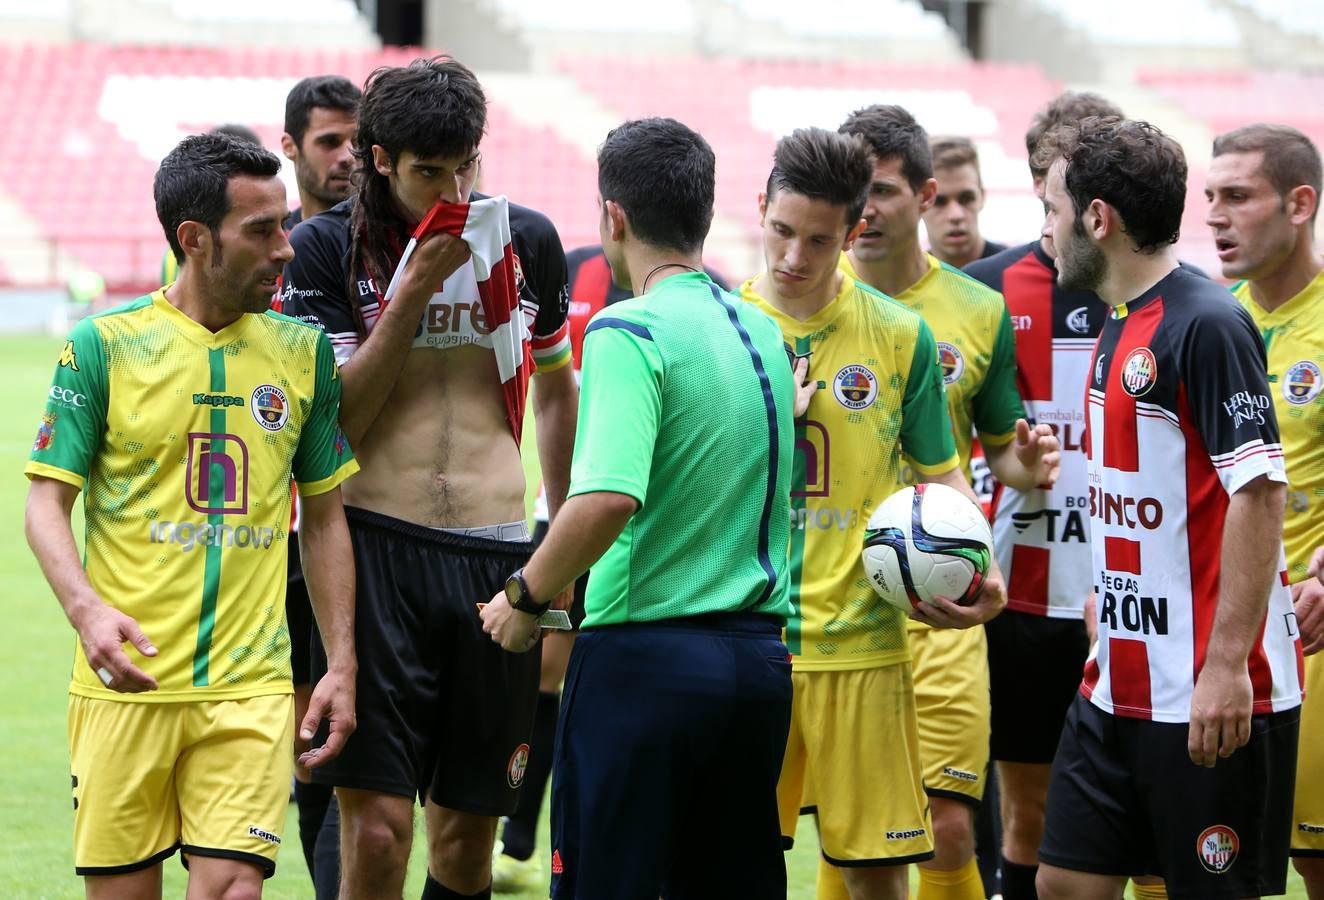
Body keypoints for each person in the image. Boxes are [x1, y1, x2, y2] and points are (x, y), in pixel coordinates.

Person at [24, 131, 358, 898]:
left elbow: (328, 517)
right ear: (195, 239)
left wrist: (339, 661)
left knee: (234, 889)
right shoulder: (102, 347)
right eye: (263, 230)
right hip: (125, 686)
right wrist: (86, 611)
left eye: (285, 224)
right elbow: (47, 503)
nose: (287, 247)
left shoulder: (303, 354)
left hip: (250, 685)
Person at [279, 56, 577, 900]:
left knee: (465, 842)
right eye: (426, 171)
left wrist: (558, 537)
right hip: (376, 552)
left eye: (464, 166)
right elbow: (337, 425)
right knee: (376, 832)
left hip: (496, 556)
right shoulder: (325, 249)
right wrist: (410, 293)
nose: (451, 187)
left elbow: (556, 389)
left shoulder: (527, 240)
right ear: (379, 159)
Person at [479, 115, 797, 899]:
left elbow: (607, 498)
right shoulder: (764, 333)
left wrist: (526, 596)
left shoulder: (629, 327)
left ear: (612, 217)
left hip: (646, 666)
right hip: (759, 665)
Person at [1034, 115, 1303, 900]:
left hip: (1208, 691)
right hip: (1117, 676)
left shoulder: (1208, 323)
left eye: (1052, 209)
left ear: (1096, 219)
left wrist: (1224, 667)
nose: (1044, 230)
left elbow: (1259, 493)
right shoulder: (1118, 324)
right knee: (1064, 883)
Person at [834, 104, 1059, 900]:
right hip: (832, 599)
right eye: (850, 189)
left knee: (948, 826)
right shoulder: (798, 305)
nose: (862, 209)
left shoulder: (977, 308)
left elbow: (996, 444)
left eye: (883, 191)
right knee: (850, 837)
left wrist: (1022, 463)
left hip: (945, 595)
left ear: (926, 197)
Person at [491, 244, 732, 894]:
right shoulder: (573, 269)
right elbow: (553, 385)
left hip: (658, 512)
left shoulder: (713, 295)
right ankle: (517, 840)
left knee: (606, 666)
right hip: (574, 498)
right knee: (545, 667)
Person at [962, 89, 1123, 900]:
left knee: (1140, 813)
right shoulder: (984, 290)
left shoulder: (1158, 289)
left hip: (1130, 596)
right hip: (1019, 593)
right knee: (1027, 809)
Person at [1206, 122, 1324, 899]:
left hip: (1314, 628)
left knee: (1315, 859)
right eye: (1209, 197)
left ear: (1299, 204)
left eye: (1237, 196)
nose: (1215, 216)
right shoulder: (1211, 319)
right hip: (1219, 637)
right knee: (1213, 859)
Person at [272, 72, 361, 897]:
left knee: (361, 741)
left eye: (355, 142)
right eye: (329, 141)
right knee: (312, 737)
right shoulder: (266, 246)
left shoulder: (377, 251)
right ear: (291, 146)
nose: (346, 158)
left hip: (370, 515)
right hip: (288, 534)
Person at [922, 136, 1005, 269]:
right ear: (920, 204)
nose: (956, 215)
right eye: (939, 202)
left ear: (982, 197)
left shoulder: (1015, 273)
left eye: (966, 198)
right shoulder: (903, 284)